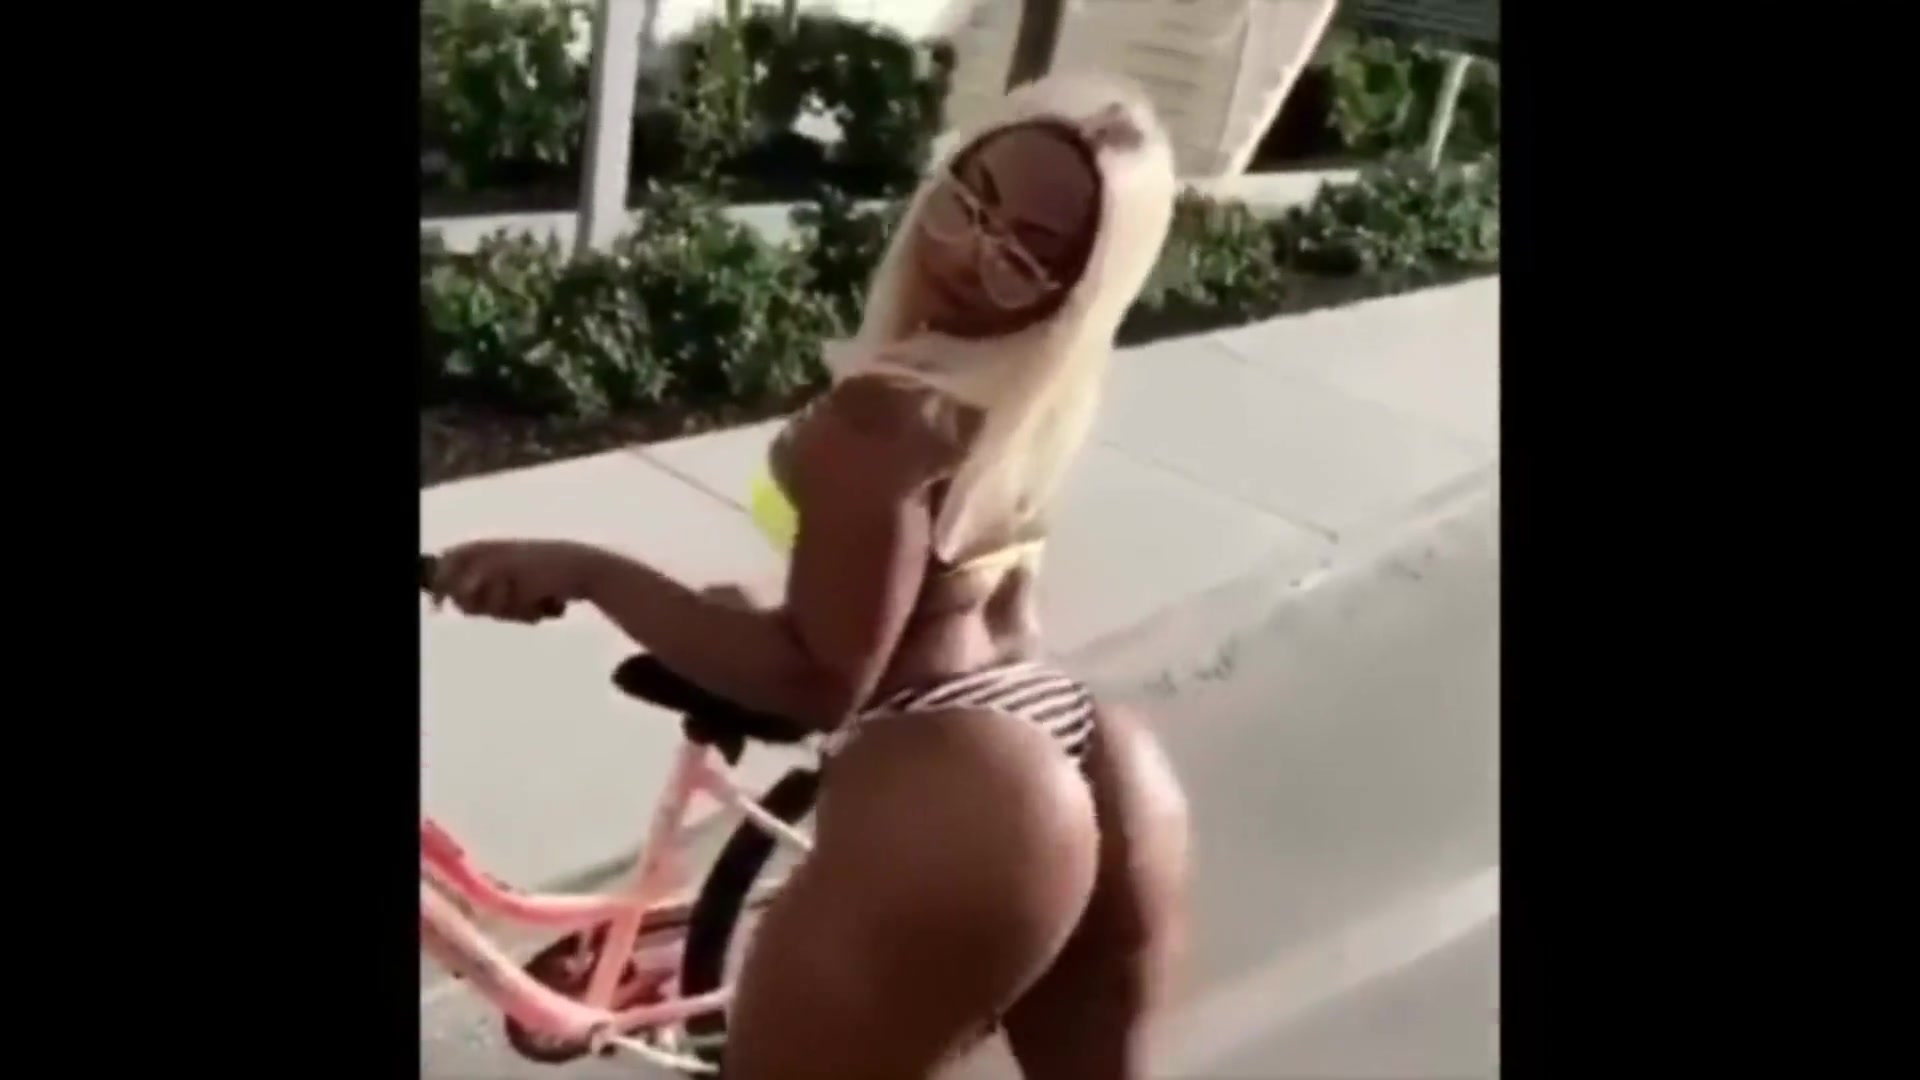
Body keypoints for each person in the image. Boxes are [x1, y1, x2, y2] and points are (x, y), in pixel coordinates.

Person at [426, 71, 1191, 1080]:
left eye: (1023, 257)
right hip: (1082, 742)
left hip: (960, 787)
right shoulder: (1024, 388)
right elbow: (939, 600)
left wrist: (589, 571)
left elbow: (820, 681)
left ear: (1073, 287)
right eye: (969, 202)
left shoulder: (885, 416)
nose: (967, 253)